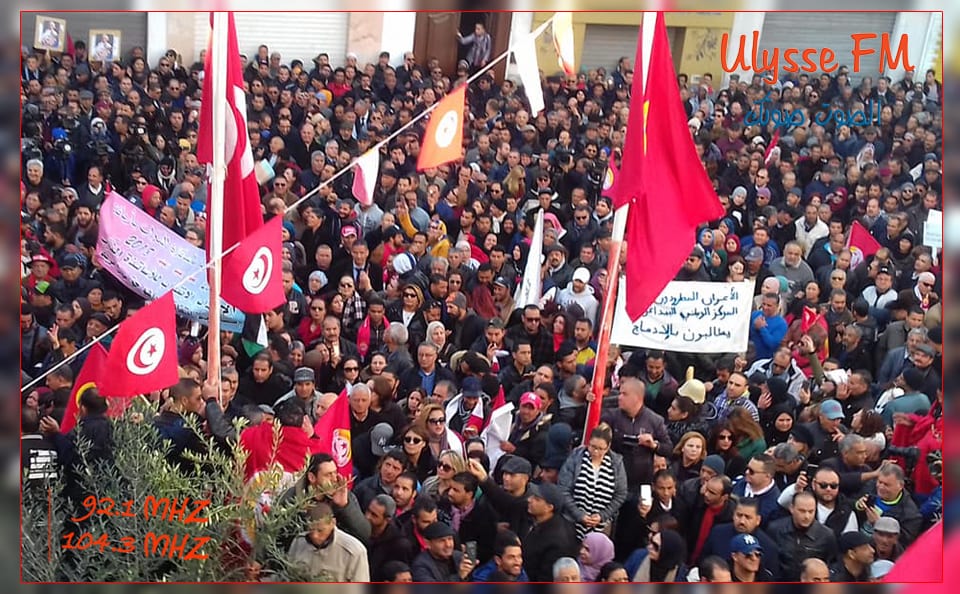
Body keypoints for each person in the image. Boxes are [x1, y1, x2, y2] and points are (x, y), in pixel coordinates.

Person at [558, 422, 628, 539]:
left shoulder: (616, 463)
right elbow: (563, 489)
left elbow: (620, 494)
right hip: (571, 523)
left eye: (600, 449)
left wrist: (602, 516)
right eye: (593, 447)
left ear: (608, 447)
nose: (596, 452)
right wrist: (579, 515)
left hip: (602, 527)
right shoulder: (575, 458)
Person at [287, 500, 370, 581]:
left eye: (320, 530)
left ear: (333, 523)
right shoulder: (299, 542)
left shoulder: (354, 552)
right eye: (311, 529)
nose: (315, 536)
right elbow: (288, 576)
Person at [767, 491, 838, 581]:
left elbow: (833, 564)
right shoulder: (775, 529)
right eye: (802, 511)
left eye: (811, 511)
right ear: (792, 508)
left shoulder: (826, 535)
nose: (807, 516)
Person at [522, 482, 579, 582]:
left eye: (537, 499)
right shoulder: (539, 522)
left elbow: (545, 578)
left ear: (549, 507)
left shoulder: (557, 541)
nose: (529, 500)